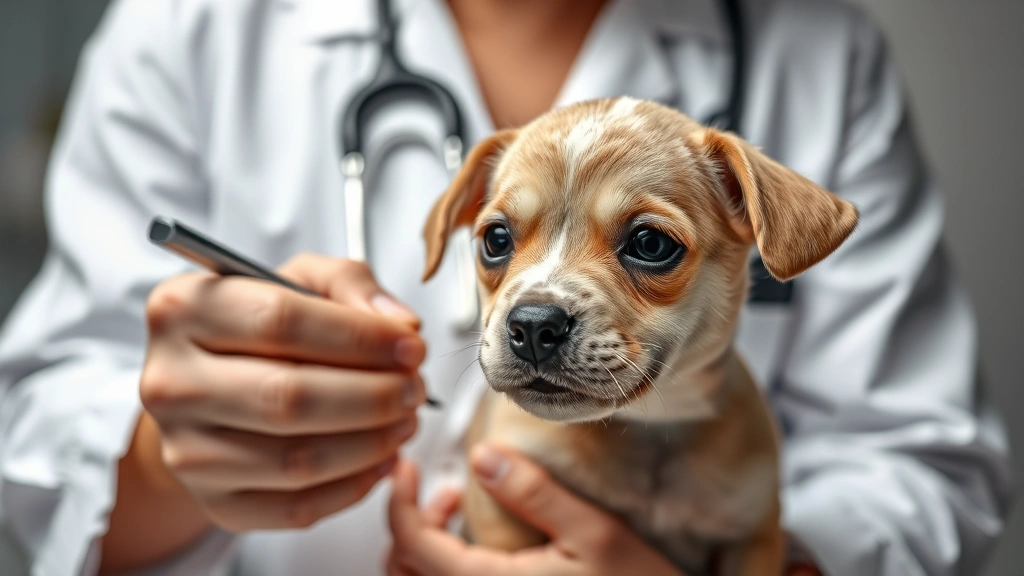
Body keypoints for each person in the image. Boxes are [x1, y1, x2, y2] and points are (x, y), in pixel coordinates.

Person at [0, 0, 1012, 574]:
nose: (533, 312)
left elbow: (927, 466)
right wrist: (170, 458)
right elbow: (37, 441)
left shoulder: (819, 51)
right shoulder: (189, 26)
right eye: (499, 243)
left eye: (650, 249)